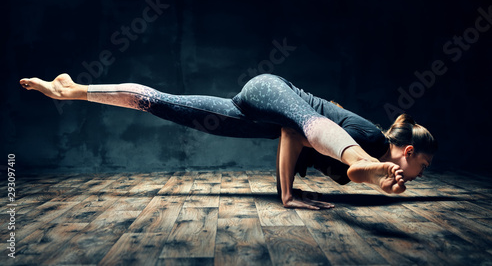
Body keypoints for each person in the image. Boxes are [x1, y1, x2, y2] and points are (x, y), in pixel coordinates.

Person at [19, 73, 437, 210]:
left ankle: (73, 89)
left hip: (247, 114)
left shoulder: (363, 140)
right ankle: (360, 166)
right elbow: (295, 128)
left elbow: (296, 138)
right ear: (409, 151)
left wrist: (292, 189)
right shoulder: (369, 135)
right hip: (268, 90)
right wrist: (287, 195)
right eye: (425, 165)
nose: (423, 174)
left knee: (159, 103)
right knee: (308, 122)